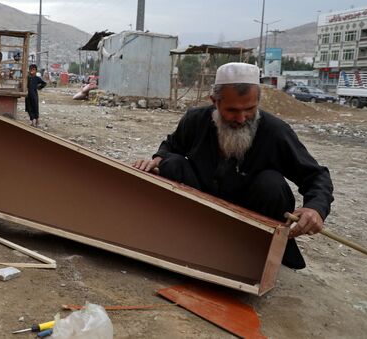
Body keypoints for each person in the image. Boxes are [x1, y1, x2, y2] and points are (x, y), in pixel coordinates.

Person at [133, 62, 334, 269]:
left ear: (258, 101)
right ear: (215, 102)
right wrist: (157, 160)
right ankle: (181, 240)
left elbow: (316, 176)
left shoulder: (275, 132)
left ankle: (257, 257)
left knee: (272, 184)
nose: (241, 118)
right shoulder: (195, 120)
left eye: (249, 109)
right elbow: (171, 147)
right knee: (172, 164)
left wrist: (315, 208)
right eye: (232, 110)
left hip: (247, 226)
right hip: (199, 213)